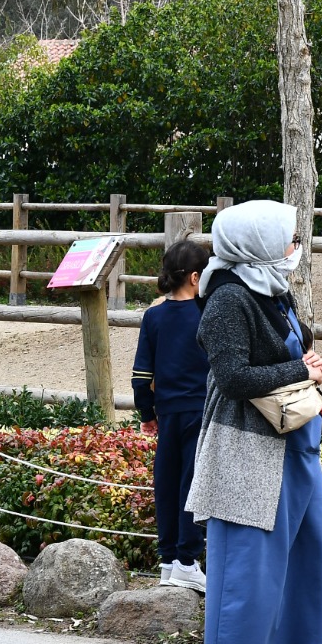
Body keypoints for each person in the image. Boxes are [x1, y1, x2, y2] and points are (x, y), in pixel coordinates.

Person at [186, 199, 322, 644]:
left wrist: (319, 407)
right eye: (288, 239)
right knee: (251, 555)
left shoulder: (272, 288)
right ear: (258, 243)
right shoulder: (227, 298)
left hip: (293, 442)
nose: (294, 247)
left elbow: (290, 354)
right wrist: (300, 370)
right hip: (248, 445)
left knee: (315, 545)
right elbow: (232, 377)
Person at [132, 240, 211, 593]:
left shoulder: (153, 316)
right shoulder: (207, 312)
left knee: (166, 482)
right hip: (201, 411)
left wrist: (147, 412)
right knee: (192, 485)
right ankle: (187, 561)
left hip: (166, 412)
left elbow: (141, 375)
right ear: (195, 277)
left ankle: (167, 561)